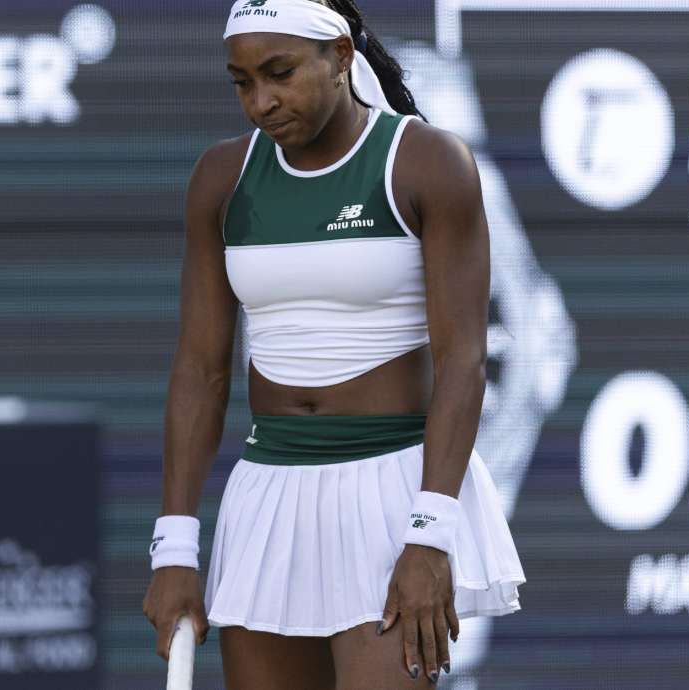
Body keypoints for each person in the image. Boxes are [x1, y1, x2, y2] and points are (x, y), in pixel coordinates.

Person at [142, 0, 525, 686]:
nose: (261, 100)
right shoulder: (221, 181)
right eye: (242, 81)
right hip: (269, 497)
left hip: (393, 495)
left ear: (342, 57)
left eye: (280, 73)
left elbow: (463, 362)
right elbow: (200, 371)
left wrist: (431, 534)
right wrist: (173, 546)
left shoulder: (428, 164)